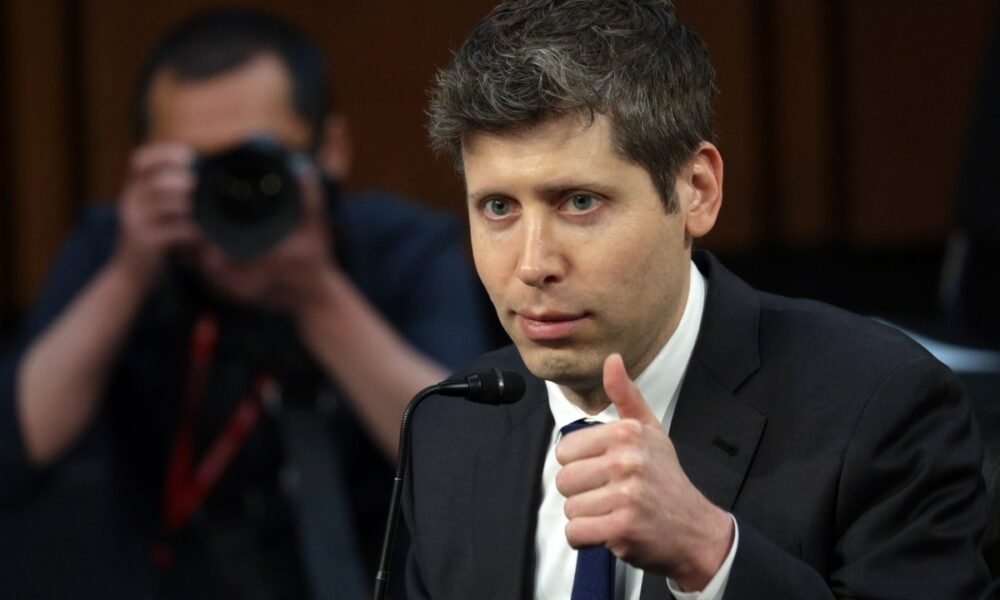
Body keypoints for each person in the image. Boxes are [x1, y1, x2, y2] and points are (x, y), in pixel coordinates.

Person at [402, 0, 991, 598]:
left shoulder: (880, 407)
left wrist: (711, 555)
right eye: (498, 207)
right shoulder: (451, 428)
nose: (532, 265)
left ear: (698, 193)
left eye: (580, 202)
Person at [0, 8, 493, 600]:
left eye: (257, 161)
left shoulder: (399, 247)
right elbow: (15, 448)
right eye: (198, 168)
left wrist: (316, 294)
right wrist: (129, 275)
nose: (230, 191)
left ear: (330, 149)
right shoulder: (120, 251)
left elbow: (471, 466)